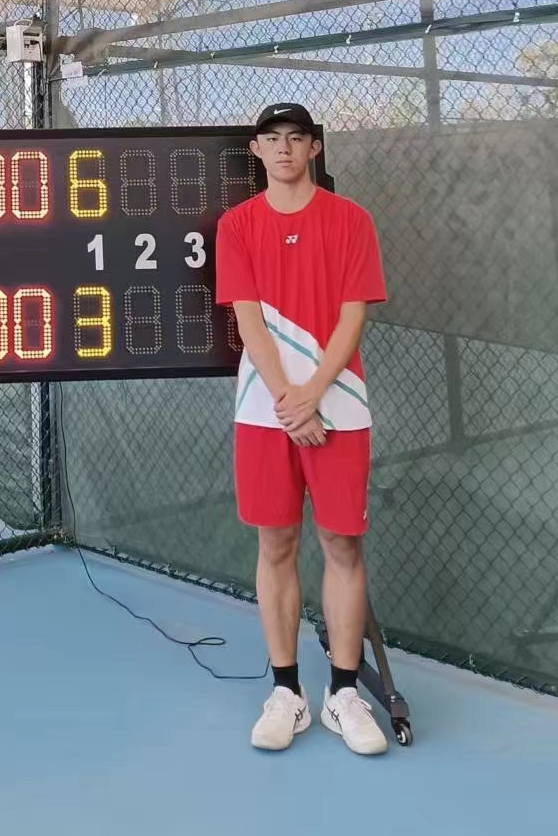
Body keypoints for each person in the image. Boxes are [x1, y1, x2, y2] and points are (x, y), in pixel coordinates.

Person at [215, 103, 389, 756]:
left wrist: (313, 395)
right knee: (276, 543)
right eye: (272, 139)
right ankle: (287, 692)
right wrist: (289, 403)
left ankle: (343, 694)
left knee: (342, 544)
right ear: (257, 150)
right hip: (264, 410)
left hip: (339, 405)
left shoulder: (352, 221)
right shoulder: (237, 226)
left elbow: (353, 316)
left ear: (314, 149)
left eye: (296, 139)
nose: (284, 148)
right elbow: (249, 321)